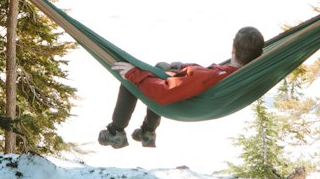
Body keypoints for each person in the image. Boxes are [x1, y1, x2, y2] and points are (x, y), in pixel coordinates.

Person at [98, 25, 265, 149]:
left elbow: (164, 93)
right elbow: (209, 72)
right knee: (159, 67)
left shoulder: (213, 76)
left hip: (182, 100)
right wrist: (182, 67)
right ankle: (147, 131)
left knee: (130, 78)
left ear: (233, 48)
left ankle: (116, 132)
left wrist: (133, 74)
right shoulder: (250, 72)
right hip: (196, 93)